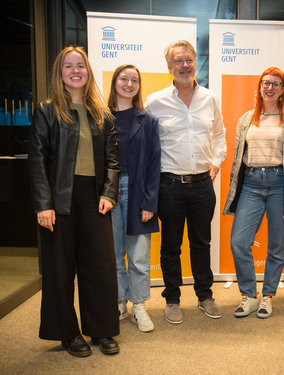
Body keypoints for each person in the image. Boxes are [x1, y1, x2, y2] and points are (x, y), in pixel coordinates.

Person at [29, 46, 120, 357]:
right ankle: (68, 333)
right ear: (60, 73)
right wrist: (44, 204)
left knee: (101, 266)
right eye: (68, 66)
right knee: (60, 269)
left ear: (88, 71)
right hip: (59, 199)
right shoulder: (47, 110)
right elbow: (37, 160)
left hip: (95, 199)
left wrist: (109, 193)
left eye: (80, 65)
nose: (75, 71)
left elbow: (112, 159)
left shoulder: (102, 114)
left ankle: (101, 330)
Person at [145, 40, 227, 324]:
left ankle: (205, 296)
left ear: (195, 63)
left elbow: (220, 135)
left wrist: (216, 163)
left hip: (203, 185)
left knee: (201, 242)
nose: (184, 65)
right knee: (170, 246)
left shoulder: (210, 98)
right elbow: (146, 143)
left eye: (188, 60)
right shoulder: (155, 102)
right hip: (170, 185)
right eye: (178, 61)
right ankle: (172, 299)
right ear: (169, 67)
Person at [224, 67, 284, 319]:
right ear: (259, 87)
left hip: (279, 186)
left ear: (283, 89)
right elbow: (240, 158)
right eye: (265, 83)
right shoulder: (246, 119)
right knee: (239, 241)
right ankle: (249, 295)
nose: (269, 88)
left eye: (275, 84)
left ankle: (268, 295)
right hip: (251, 184)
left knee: (276, 246)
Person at [107, 64, 161, 332]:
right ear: (115, 82)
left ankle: (139, 304)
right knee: (114, 254)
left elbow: (154, 164)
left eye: (134, 80)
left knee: (138, 255)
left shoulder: (147, 120)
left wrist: (150, 203)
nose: (129, 84)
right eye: (124, 79)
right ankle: (119, 302)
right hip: (108, 191)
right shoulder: (101, 117)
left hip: (137, 190)